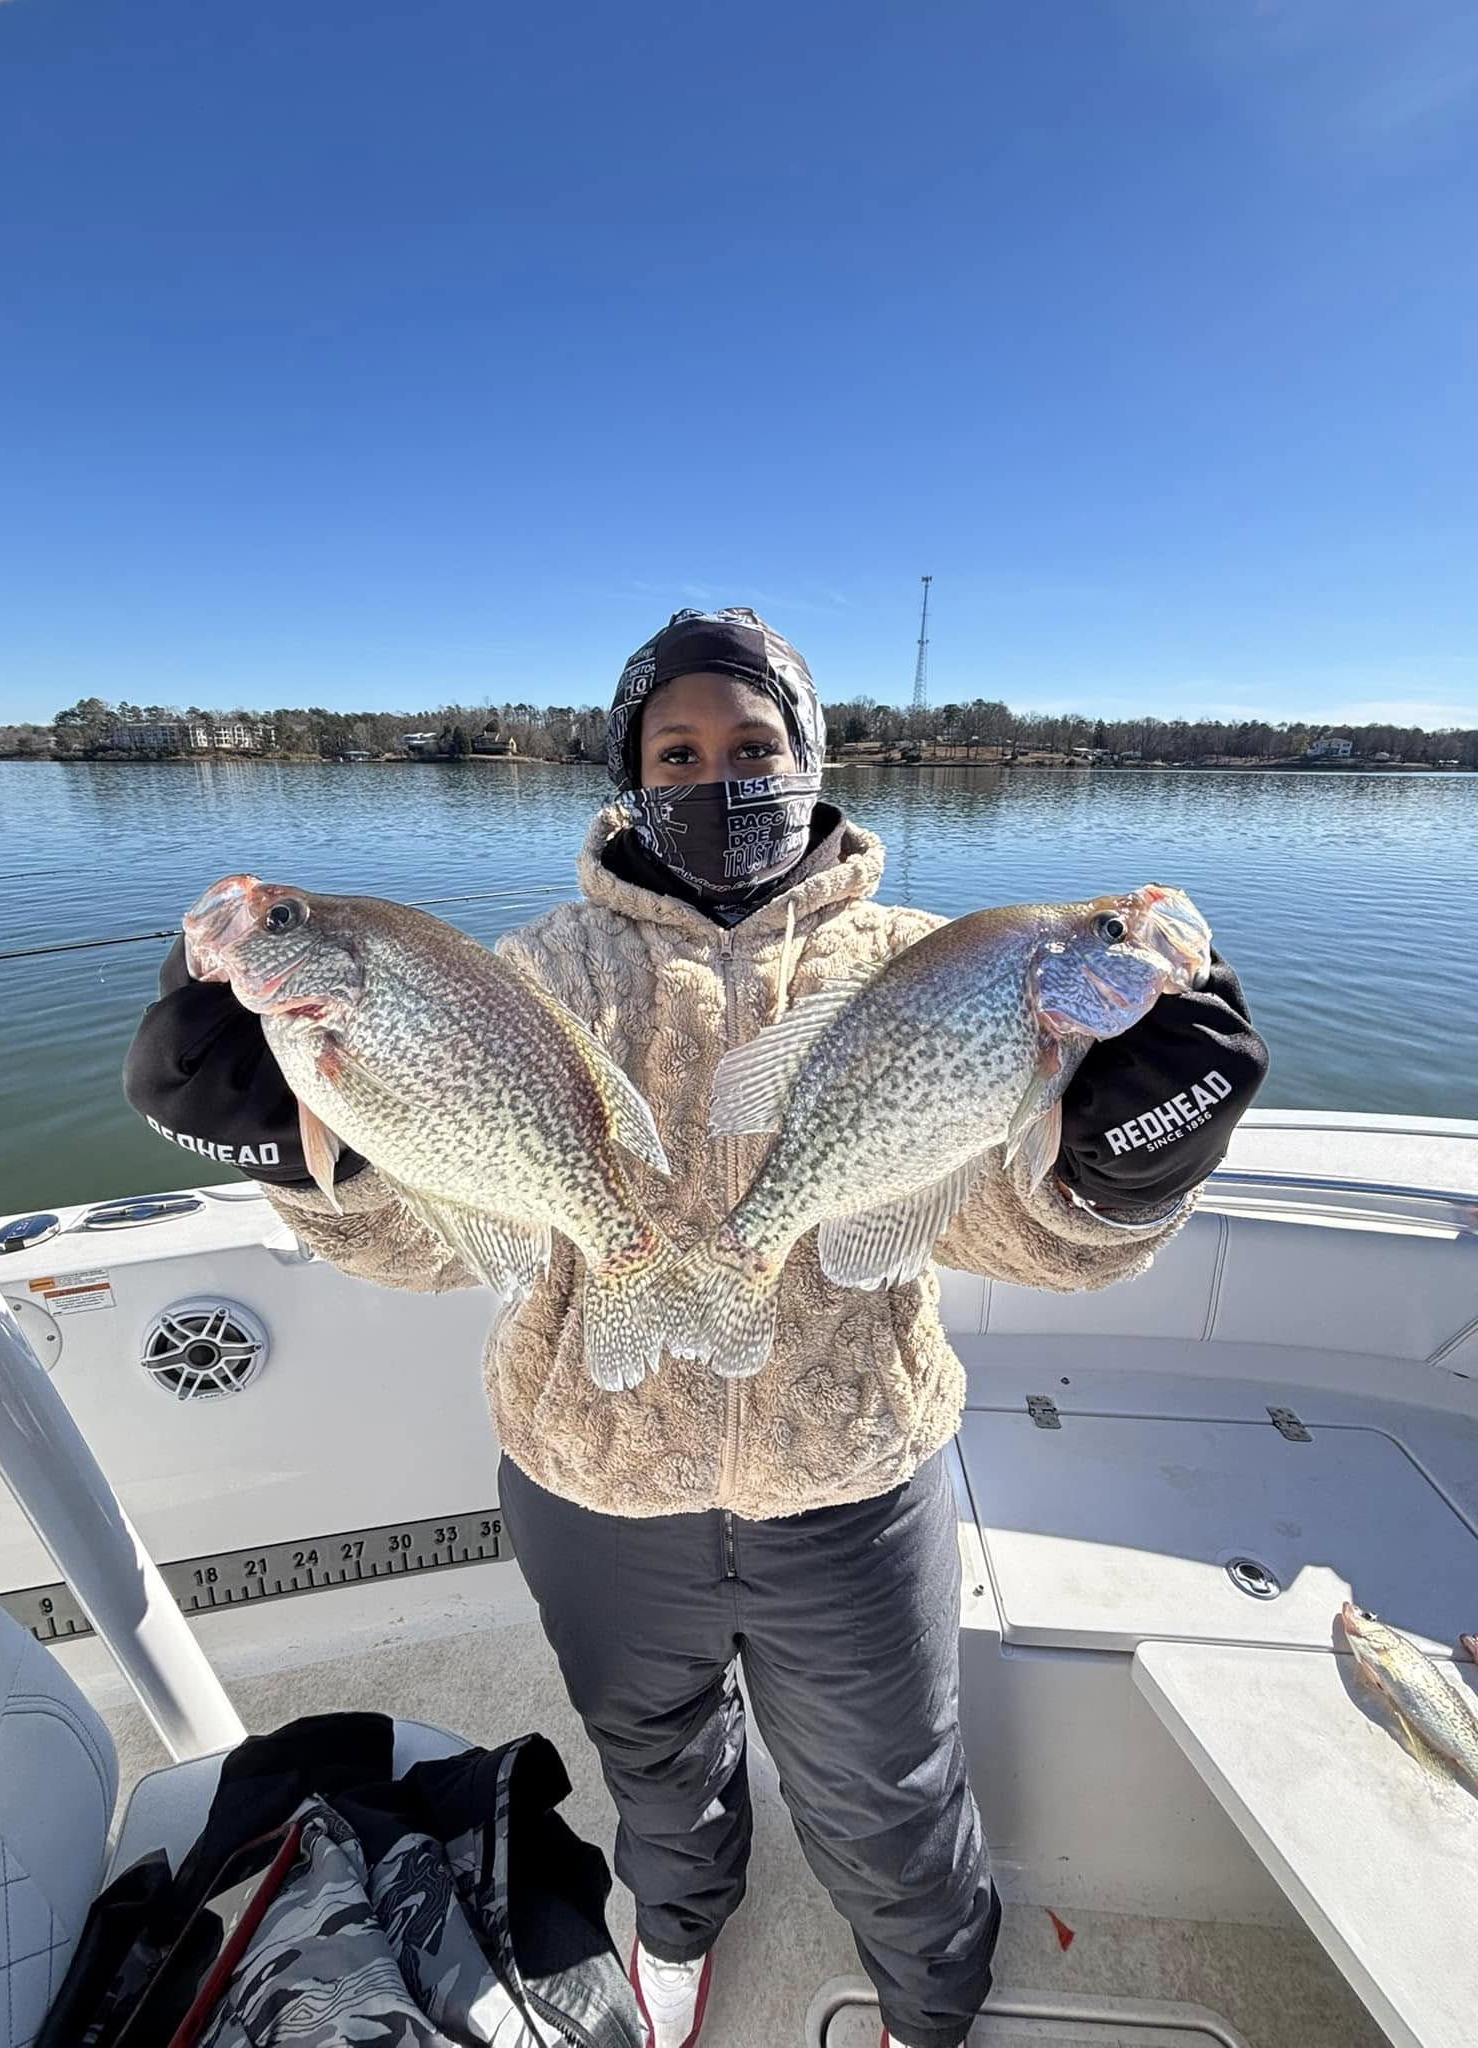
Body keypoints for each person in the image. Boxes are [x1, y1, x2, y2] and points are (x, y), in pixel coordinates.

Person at [124, 608, 1268, 2048]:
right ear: (632, 772)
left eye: (755, 744)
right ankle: (676, 1926)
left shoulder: (929, 963)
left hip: (851, 1482)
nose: (719, 774)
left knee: (890, 1784)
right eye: (679, 748)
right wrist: (304, 1158)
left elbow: (1000, 1223)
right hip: (589, 1484)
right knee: (651, 1761)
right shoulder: (525, 973)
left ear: (811, 760)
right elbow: (443, 1238)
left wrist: (1120, 1164)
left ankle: (933, 1999)